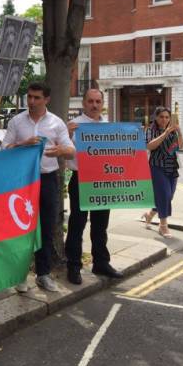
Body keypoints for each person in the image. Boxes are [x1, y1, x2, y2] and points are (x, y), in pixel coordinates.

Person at [2, 82, 75, 293]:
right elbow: (5, 147)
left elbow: (71, 150)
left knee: (46, 227)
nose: (31, 102)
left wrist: (61, 150)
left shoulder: (56, 122)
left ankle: (43, 274)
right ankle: (20, 275)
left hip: (48, 179)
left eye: (36, 98)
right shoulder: (16, 121)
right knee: (21, 228)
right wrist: (22, 144)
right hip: (22, 181)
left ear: (47, 100)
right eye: (29, 97)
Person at [65, 89, 123, 285]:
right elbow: (65, 153)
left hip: (102, 180)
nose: (94, 105)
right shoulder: (74, 126)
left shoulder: (108, 126)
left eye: (98, 101)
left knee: (101, 225)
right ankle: (73, 266)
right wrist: (66, 135)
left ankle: (101, 263)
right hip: (80, 178)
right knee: (77, 225)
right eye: (90, 101)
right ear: (84, 103)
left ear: (102, 103)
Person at [142, 106, 183, 238]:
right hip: (157, 166)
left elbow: (180, 146)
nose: (164, 120)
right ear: (156, 117)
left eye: (167, 117)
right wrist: (165, 133)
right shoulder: (150, 130)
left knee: (168, 197)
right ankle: (163, 226)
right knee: (164, 195)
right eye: (161, 117)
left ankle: (149, 215)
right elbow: (149, 146)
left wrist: (179, 132)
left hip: (171, 166)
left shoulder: (172, 130)